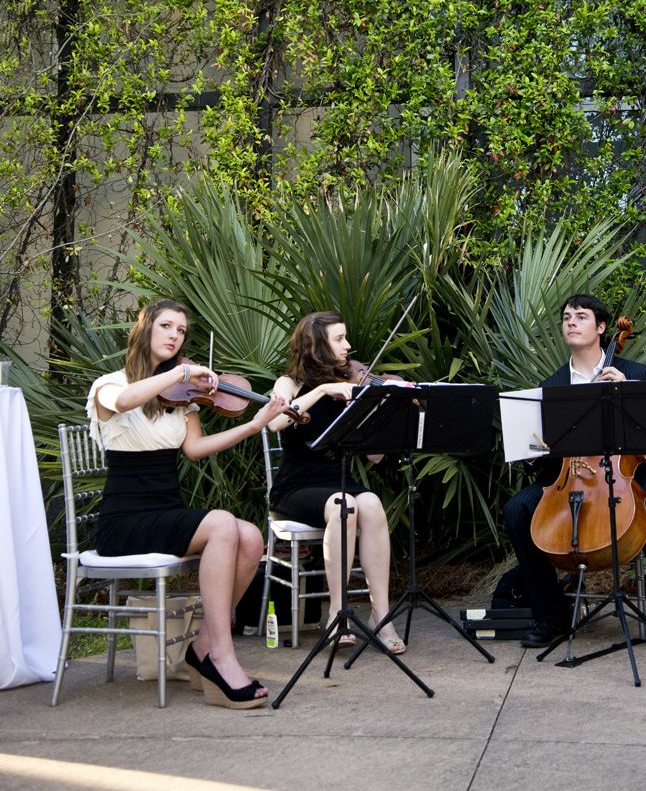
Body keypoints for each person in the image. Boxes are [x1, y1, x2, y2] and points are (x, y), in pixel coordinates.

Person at [86, 298, 291, 709]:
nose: (174, 335)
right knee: (220, 523)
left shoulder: (180, 397)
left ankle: (202, 647)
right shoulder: (110, 385)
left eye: (180, 330)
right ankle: (222, 655)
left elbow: (195, 449)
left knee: (249, 536)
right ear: (145, 330)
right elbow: (126, 402)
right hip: (124, 522)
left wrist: (254, 424)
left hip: (166, 511)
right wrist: (180, 371)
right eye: (166, 326)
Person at [503, 292, 646, 657]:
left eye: (580, 316)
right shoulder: (552, 387)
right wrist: (533, 456)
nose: (571, 322)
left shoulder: (637, 373)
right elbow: (542, 453)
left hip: (629, 475)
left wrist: (626, 391)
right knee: (517, 508)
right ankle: (552, 615)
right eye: (566, 316)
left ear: (601, 328)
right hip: (570, 479)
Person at [267, 310, 406, 654]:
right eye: (339, 339)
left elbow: (374, 458)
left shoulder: (353, 386)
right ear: (317, 346)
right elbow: (275, 423)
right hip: (298, 487)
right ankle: (336, 613)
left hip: (339, 480)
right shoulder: (291, 383)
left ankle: (381, 615)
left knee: (370, 502)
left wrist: (379, 414)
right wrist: (325, 389)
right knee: (345, 505)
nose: (349, 346)